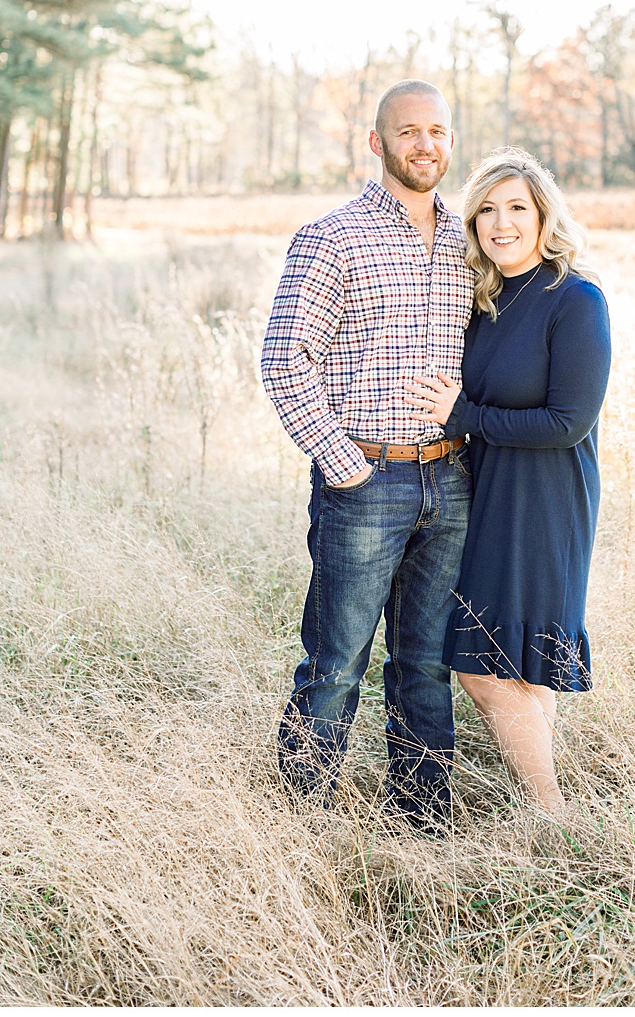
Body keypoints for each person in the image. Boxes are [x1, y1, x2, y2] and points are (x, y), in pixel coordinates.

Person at [260, 79, 474, 833]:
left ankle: (423, 824)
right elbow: (285, 360)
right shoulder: (334, 236)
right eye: (408, 131)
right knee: (336, 664)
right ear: (377, 143)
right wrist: (342, 463)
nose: (425, 145)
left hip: (451, 481)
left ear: (452, 141)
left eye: (439, 132)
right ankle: (299, 823)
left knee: (425, 666)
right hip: (365, 479)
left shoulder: (467, 238)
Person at [404, 149, 611, 814]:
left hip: (546, 499)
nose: (501, 223)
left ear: (543, 214)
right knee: (517, 660)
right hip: (488, 490)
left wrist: (463, 416)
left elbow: (568, 422)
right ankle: (549, 809)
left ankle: (549, 810)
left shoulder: (575, 298)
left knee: (481, 664)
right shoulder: (483, 301)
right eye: (487, 210)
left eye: (517, 207)